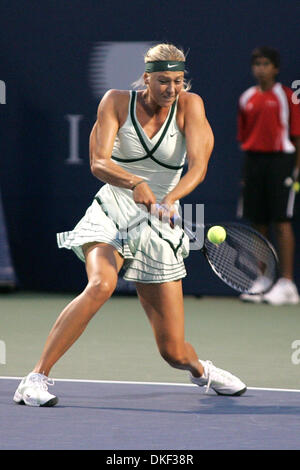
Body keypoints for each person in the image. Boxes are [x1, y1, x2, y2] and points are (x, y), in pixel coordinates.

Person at [14, 43, 246, 407]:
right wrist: (135, 182)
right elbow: (98, 161)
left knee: (173, 351)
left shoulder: (190, 106)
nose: (172, 89)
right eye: (164, 81)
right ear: (146, 78)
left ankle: (201, 371)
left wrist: (170, 199)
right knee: (101, 283)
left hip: (160, 224)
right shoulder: (116, 102)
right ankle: (35, 377)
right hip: (114, 209)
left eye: (179, 81)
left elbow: (198, 168)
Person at [237, 46, 300, 306]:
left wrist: (296, 171)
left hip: (282, 162)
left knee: (281, 222)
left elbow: (296, 136)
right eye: (257, 64)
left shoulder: (287, 96)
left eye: (266, 64)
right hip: (254, 162)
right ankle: (263, 279)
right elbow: (245, 138)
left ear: (275, 68)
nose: (261, 68)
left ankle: (287, 284)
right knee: (258, 224)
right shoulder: (247, 98)